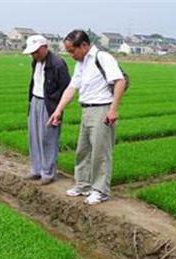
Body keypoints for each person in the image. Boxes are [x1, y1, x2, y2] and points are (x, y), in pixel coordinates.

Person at [48, 30, 126, 205]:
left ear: (83, 45)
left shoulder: (102, 57)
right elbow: (71, 88)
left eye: (72, 51)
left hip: (102, 109)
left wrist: (113, 110)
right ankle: (83, 185)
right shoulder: (81, 63)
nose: (71, 55)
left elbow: (119, 81)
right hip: (87, 109)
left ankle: (100, 190)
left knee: (101, 152)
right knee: (83, 150)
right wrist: (58, 110)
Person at [23, 34, 71, 185]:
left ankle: (48, 173)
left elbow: (66, 88)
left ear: (45, 47)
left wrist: (56, 105)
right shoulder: (35, 62)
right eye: (32, 52)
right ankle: (36, 170)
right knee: (34, 137)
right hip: (35, 101)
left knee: (48, 138)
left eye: (36, 51)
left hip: (49, 104)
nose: (34, 55)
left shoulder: (58, 64)